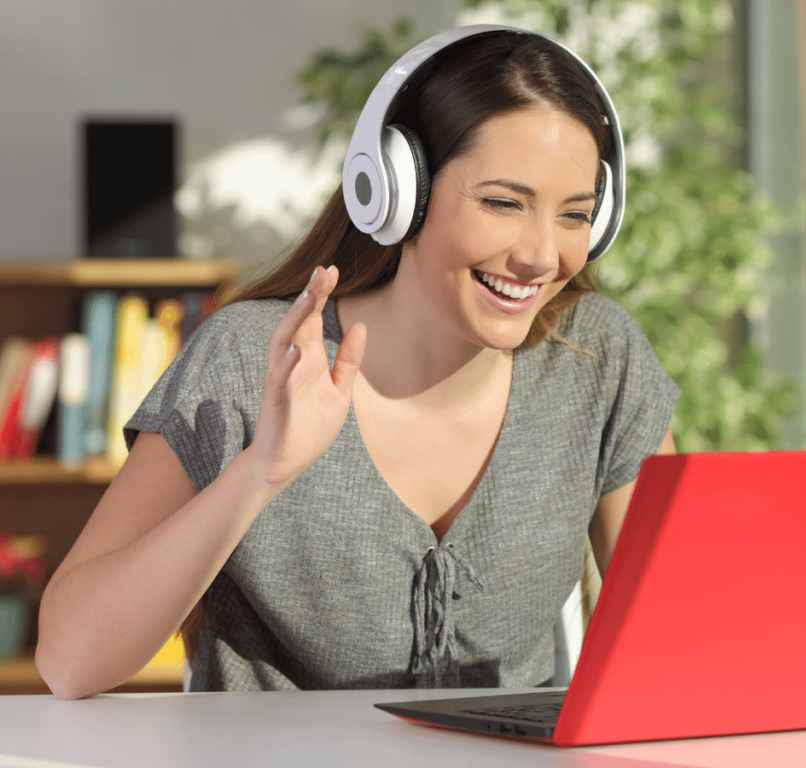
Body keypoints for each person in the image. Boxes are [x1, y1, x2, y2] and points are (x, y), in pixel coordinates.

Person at [35, 26, 680, 699]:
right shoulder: (255, 358)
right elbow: (71, 663)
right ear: (400, 191)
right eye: (502, 203)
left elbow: (680, 635)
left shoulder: (595, 357)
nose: (543, 257)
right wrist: (260, 472)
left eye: (575, 215)